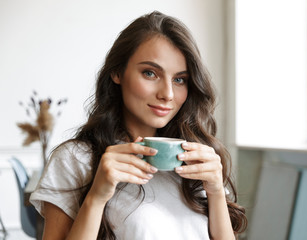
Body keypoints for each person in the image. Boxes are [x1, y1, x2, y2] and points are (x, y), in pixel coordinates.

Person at [30, 11, 247, 240]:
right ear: (117, 72)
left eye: (179, 79)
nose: (168, 94)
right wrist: (97, 197)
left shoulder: (197, 161)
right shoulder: (75, 159)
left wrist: (215, 192)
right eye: (150, 73)